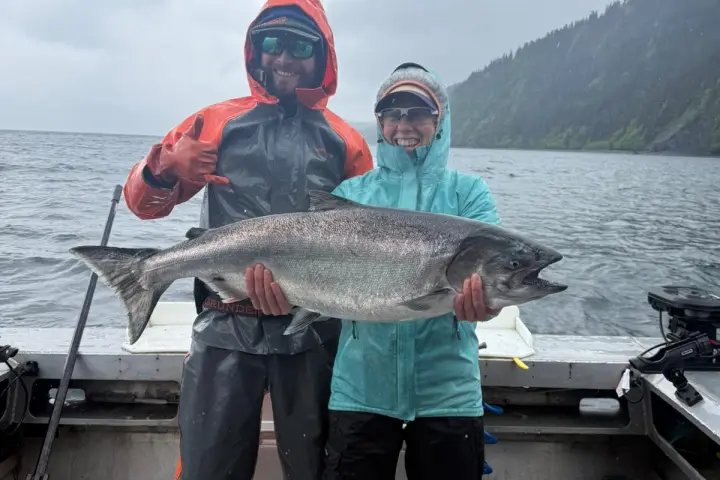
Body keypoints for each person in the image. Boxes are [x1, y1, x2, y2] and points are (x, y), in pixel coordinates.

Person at [121, 0, 373, 478]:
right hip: (224, 326)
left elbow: (366, 237)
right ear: (254, 51)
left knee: (318, 467)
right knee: (207, 468)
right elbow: (142, 206)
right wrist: (162, 168)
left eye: (301, 46)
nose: (284, 58)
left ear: (323, 56)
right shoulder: (213, 122)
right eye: (271, 43)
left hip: (313, 331)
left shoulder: (346, 141)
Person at [247, 62, 502, 479]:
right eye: (393, 113)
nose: (405, 124)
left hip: (449, 392)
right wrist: (283, 293)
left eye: (419, 112)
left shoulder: (468, 193)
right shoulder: (352, 194)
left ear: (441, 120)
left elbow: (491, 276)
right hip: (360, 389)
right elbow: (315, 278)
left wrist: (485, 306)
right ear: (380, 121)